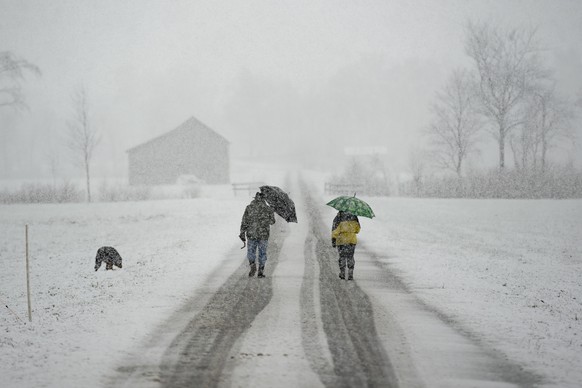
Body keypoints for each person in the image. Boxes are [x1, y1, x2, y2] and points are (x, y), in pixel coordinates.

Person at [239, 192, 276, 278]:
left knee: (251, 251)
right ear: (264, 199)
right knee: (262, 253)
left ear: (255, 198)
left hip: (251, 234)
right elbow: (272, 222)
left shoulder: (249, 208)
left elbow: (244, 221)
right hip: (263, 235)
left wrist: (242, 232)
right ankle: (261, 270)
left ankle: (252, 265)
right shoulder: (268, 209)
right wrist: (270, 214)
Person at [331, 211, 360, 280]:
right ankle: (350, 273)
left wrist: (333, 239)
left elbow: (335, 230)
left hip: (342, 241)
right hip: (352, 241)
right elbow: (357, 230)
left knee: (342, 257)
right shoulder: (354, 217)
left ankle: (342, 273)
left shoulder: (339, 217)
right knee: (350, 256)